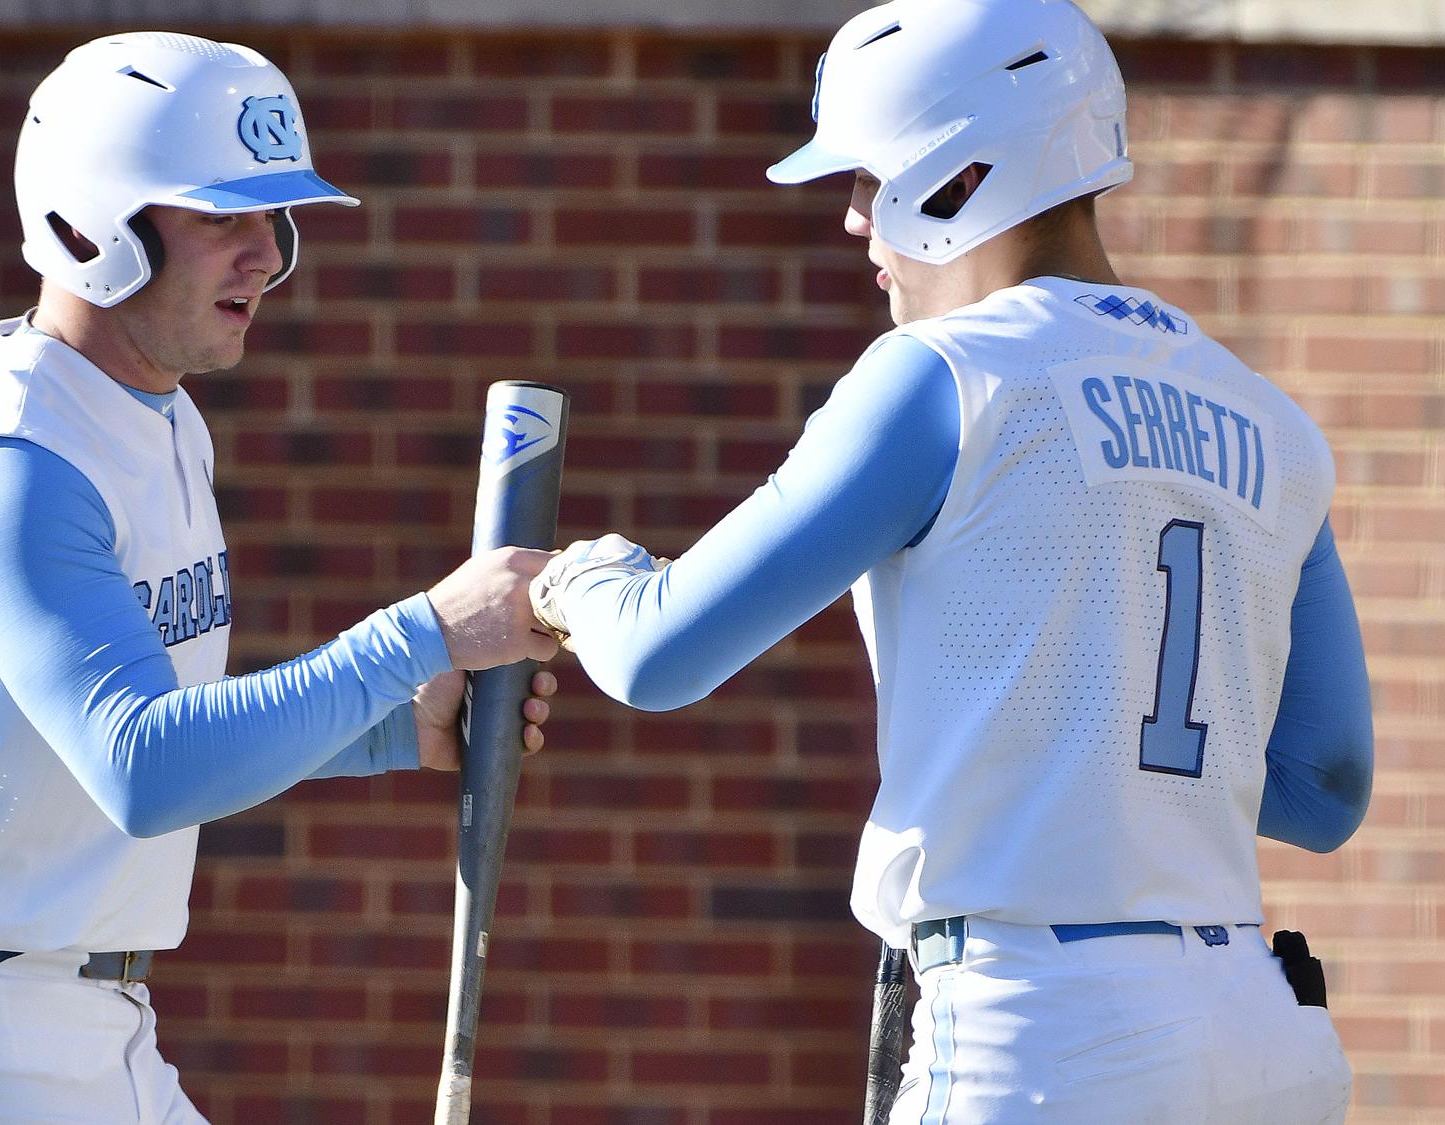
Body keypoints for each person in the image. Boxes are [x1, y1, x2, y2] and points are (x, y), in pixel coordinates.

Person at [528, 1, 1372, 1121]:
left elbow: (656, 653)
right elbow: (1324, 786)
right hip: (1259, 1034)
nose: (849, 221)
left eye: (865, 180)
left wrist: (574, 578)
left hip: (1038, 1030)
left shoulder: (941, 372)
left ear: (957, 178)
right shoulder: (1271, 422)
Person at [0, 32, 559, 1124]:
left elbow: (123, 743)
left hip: (95, 1023)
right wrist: (419, 635)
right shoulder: (13, 465)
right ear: (90, 228)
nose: (267, 256)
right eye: (221, 217)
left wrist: (384, 724)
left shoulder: (160, 414)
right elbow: (142, 766)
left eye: (271, 219)